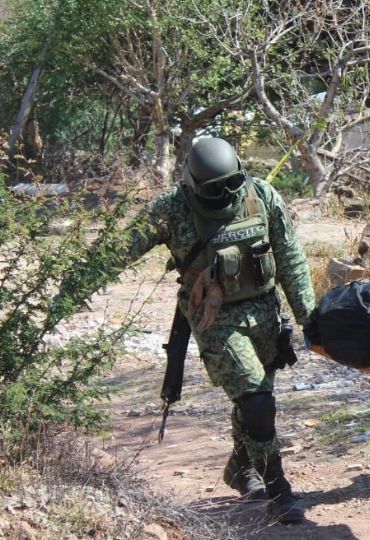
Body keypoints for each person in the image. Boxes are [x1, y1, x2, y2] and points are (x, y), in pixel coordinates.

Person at [58, 138, 316, 524]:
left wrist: (310, 318)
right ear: (194, 185)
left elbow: (290, 257)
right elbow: (118, 250)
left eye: (232, 184)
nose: (225, 194)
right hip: (214, 319)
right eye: (214, 189)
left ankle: (240, 466)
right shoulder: (172, 208)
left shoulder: (261, 196)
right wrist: (70, 291)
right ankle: (279, 489)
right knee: (257, 401)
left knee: (254, 395)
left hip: (264, 312)